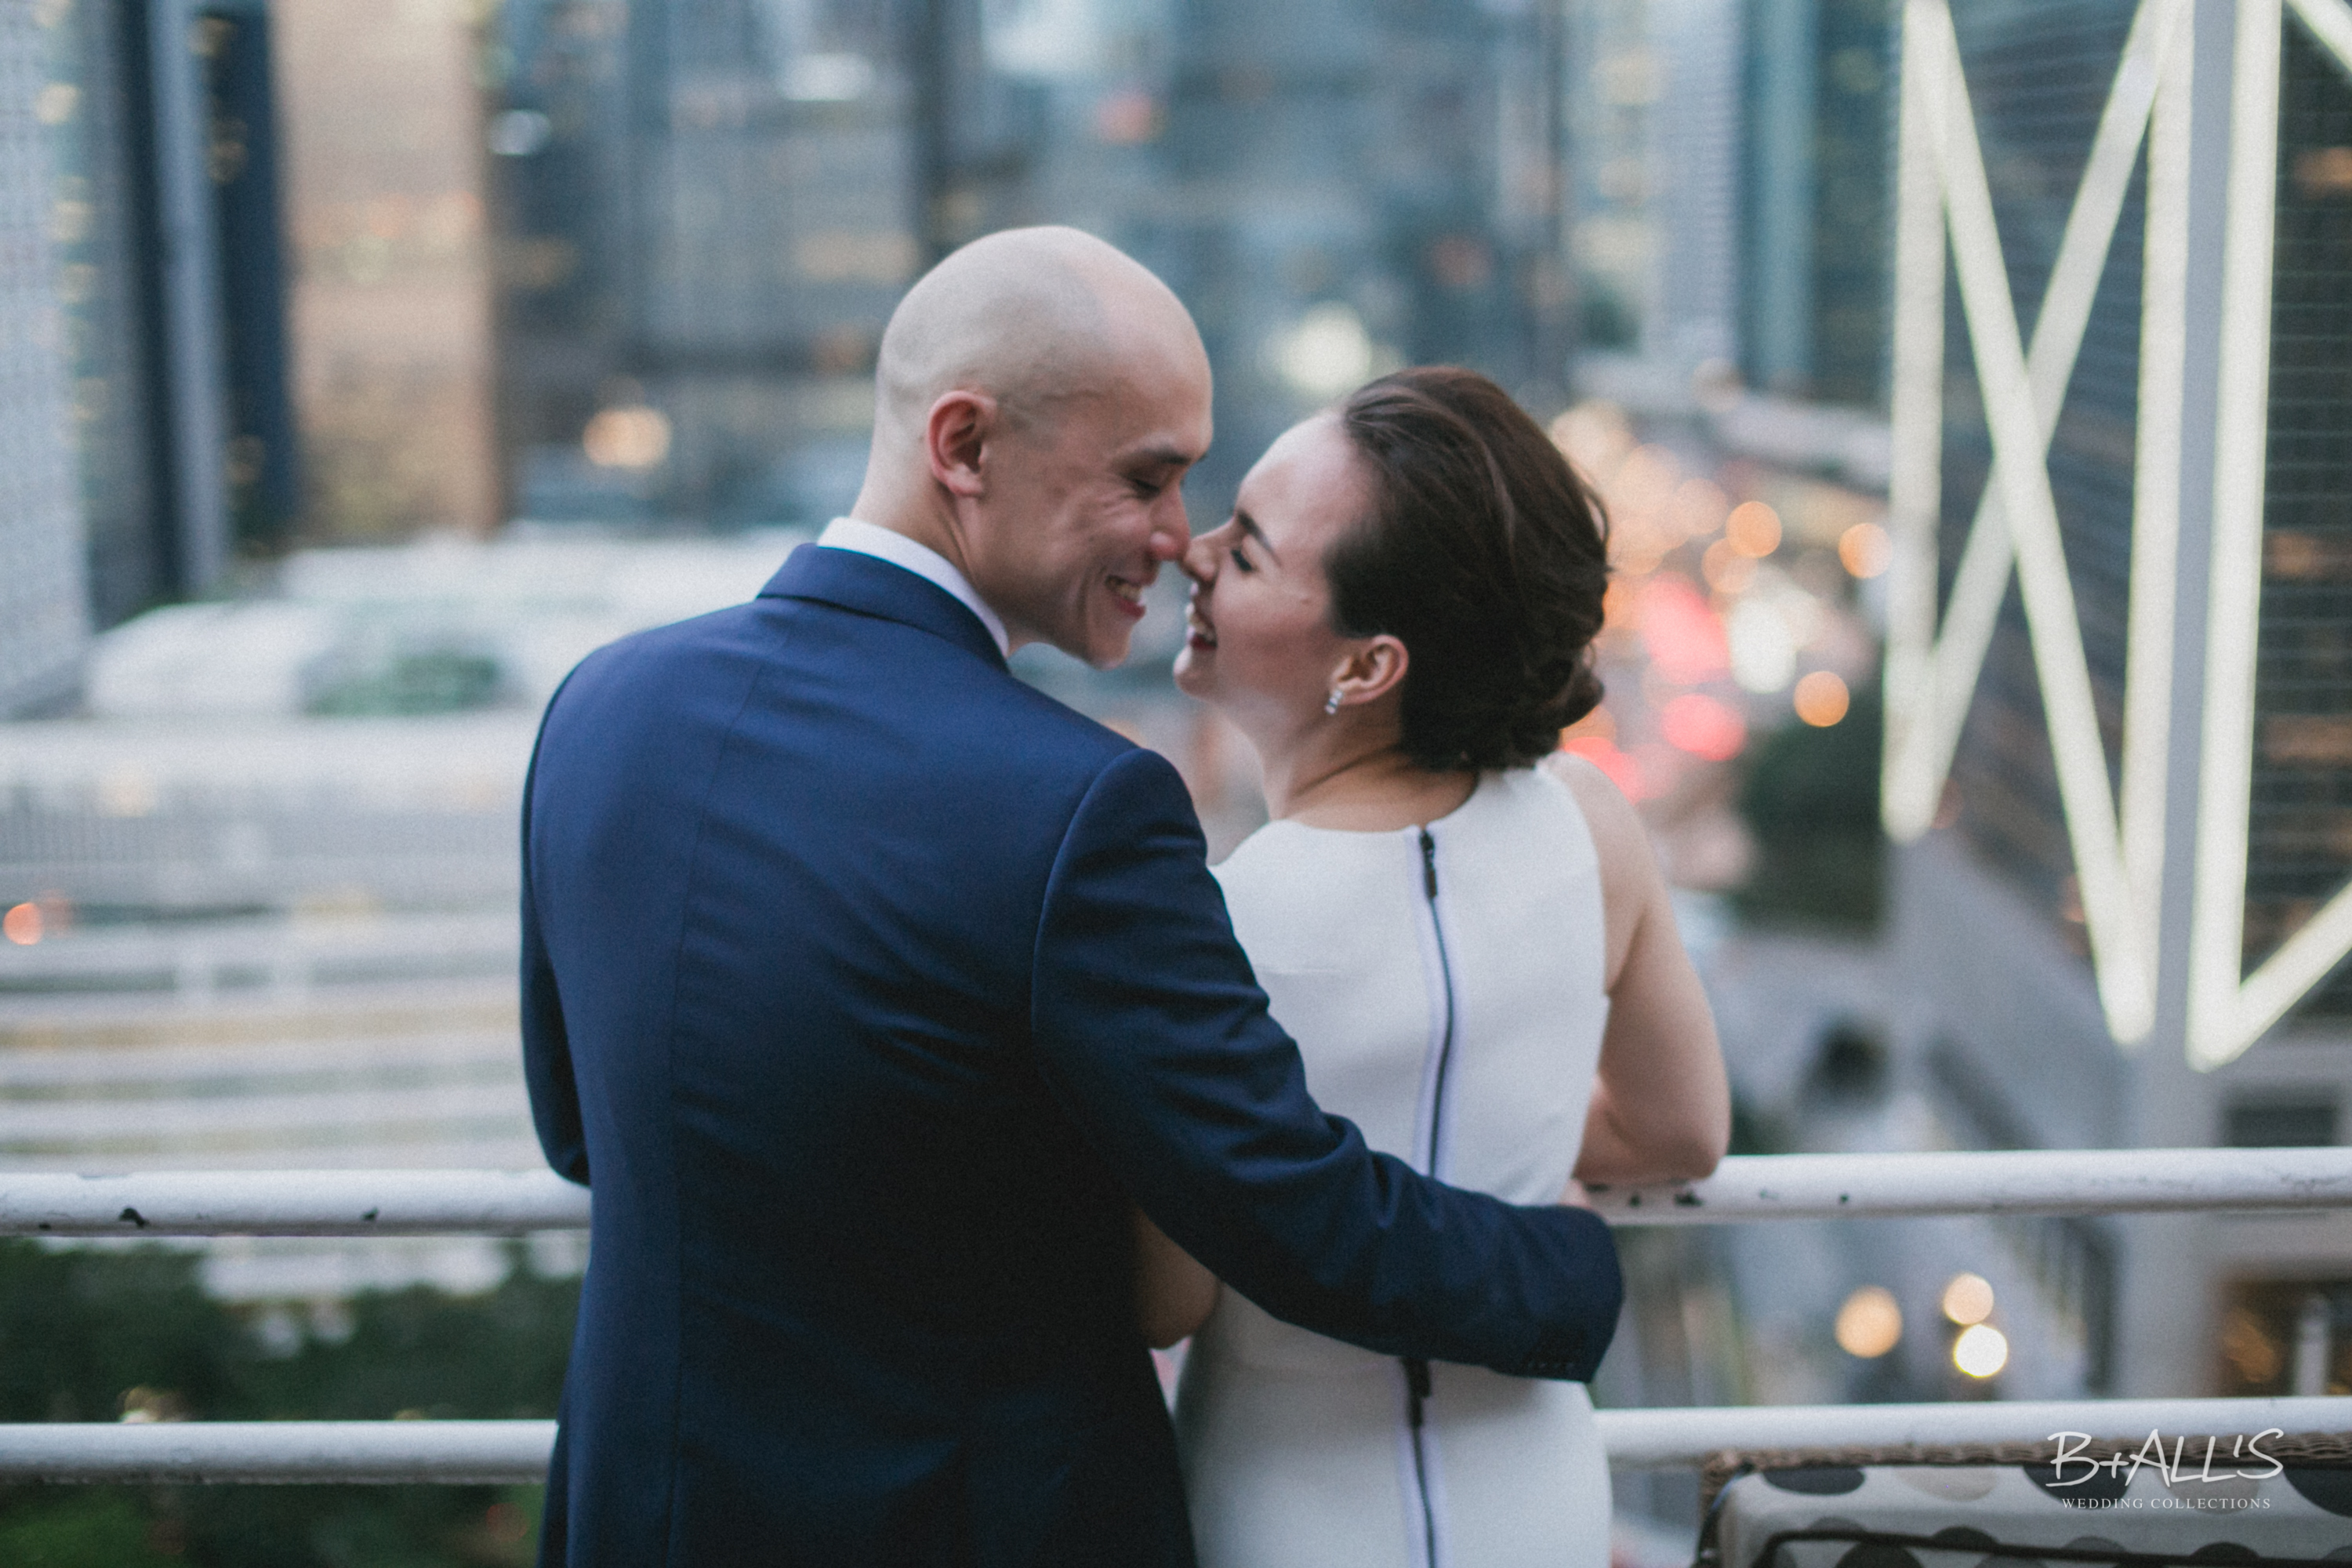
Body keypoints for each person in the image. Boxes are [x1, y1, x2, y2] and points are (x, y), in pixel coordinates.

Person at [519, 229, 1625, 1566]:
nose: (1177, 538)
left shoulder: (601, 708)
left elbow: (580, 1132)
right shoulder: (1078, 804)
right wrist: (1574, 1269)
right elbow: (1294, 1213)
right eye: (1146, 478)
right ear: (965, 446)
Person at [1150, 367, 1730, 1568]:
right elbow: (1680, 1132)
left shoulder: (1210, 922)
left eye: (1245, 552)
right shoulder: (1592, 824)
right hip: (1540, 1505)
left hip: (1286, 1515)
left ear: (1368, 667)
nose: (1192, 554)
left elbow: (1168, 1299)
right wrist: (1502, 1129)